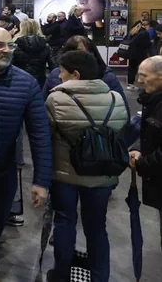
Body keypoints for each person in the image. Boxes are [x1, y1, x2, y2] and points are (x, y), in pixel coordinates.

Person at [0, 27, 52, 280]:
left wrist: (41, 181)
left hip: (2, 170)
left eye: (9, 45)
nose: (6, 50)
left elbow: (39, 134)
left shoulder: (26, 83)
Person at [45, 50, 127, 282]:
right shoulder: (116, 99)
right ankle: (100, 276)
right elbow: (121, 132)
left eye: (62, 72)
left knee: (64, 222)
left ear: (76, 74)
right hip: (103, 174)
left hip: (65, 175)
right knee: (97, 227)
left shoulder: (56, 99)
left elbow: (46, 138)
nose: (59, 76)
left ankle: (60, 275)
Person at [130, 56, 162, 247]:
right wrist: (138, 148)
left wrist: (142, 163)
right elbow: (151, 134)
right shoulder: (153, 101)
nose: (139, 81)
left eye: (144, 76)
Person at [43, 36, 126, 103]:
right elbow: (43, 105)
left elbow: (121, 107)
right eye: (72, 52)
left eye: (80, 53)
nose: (76, 57)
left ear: (92, 54)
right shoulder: (56, 75)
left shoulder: (107, 76)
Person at [13, 18, 51, 86]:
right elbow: (53, 65)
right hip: (40, 80)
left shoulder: (15, 45)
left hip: (18, 80)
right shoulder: (45, 45)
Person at [125, 21, 152, 91]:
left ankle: (130, 84)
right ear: (148, 26)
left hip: (131, 53)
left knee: (131, 68)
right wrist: (151, 42)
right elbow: (146, 44)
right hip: (140, 54)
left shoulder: (133, 30)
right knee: (146, 69)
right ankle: (148, 84)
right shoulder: (145, 33)